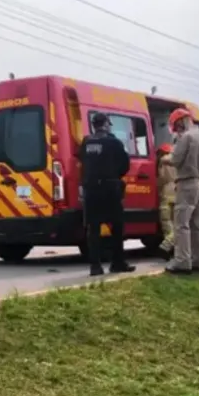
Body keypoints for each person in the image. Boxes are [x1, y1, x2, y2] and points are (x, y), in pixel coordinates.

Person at [78, 113, 136, 276]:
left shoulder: (86, 142)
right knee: (117, 227)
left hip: (91, 191)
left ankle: (95, 266)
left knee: (93, 229)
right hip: (110, 189)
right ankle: (117, 262)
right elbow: (125, 166)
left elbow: (82, 162)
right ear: (105, 124)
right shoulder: (114, 142)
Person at [165, 108, 199, 275]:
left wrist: (165, 157)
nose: (176, 130)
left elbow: (176, 159)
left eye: (176, 127)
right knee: (196, 225)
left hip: (187, 183)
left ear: (180, 122)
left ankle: (182, 261)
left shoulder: (185, 137)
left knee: (181, 225)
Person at [156, 143, 177, 258]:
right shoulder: (178, 161)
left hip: (166, 194)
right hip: (178, 194)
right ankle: (171, 249)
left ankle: (165, 246)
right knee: (176, 224)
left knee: (166, 224)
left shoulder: (162, 163)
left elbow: (161, 180)